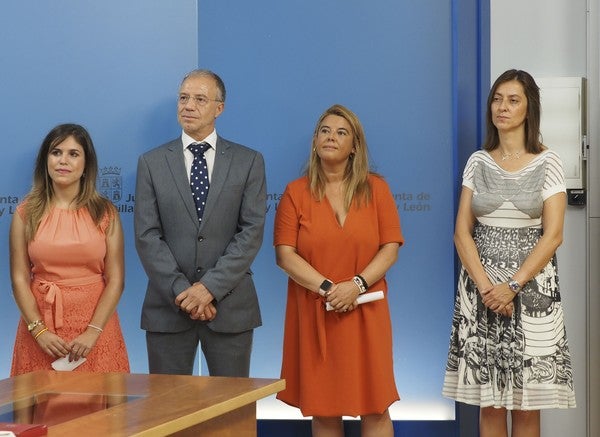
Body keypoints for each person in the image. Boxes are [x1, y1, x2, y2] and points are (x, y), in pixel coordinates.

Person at [442, 69, 576, 437]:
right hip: (481, 291)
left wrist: (512, 286)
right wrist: (488, 289)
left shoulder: (549, 162)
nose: (502, 107)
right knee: (491, 403)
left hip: (531, 292)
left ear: (529, 108)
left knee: (527, 405)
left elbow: (553, 236)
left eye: (513, 100)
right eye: (497, 99)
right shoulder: (478, 161)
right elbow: (461, 233)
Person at [274, 104, 403, 437]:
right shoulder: (295, 192)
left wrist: (356, 285)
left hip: (367, 310)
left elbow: (390, 248)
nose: (331, 137)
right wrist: (330, 289)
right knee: (325, 408)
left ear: (355, 146)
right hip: (317, 311)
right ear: (315, 141)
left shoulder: (377, 189)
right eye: (325, 131)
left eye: (341, 132)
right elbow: (285, 256)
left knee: (376, 405)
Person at [134, 69, 266, 377]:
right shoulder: (151, 163)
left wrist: (209, 288)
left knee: (229, 415)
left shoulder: (249, 162)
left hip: (230, 307)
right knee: (167, 413)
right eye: (183, 98)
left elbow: (251, 232)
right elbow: (147, 236)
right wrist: (185, 293)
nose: (188, 106)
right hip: (168, 308)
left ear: (219, 108)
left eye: (199, 99)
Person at [10, 123, 130, 375]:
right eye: (56, 152)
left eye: (73, 154)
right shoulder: (26, 212)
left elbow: (116, 279)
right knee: (40, 408)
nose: (63, 161)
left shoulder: (105, 213)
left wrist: (93, 331)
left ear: (87, 165)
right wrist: (39, 330)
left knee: (100, 409)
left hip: (96, 328)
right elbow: (19, 278)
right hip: (41, 327)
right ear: (46, 160)